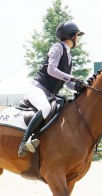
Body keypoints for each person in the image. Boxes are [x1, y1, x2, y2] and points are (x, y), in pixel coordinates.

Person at [18, 20, 85, 157]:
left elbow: (66, 82)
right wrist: (72, 78)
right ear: (71, 35)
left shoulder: (69, 56)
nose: (78, 38)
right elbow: (51, 70)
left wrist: (78, 86)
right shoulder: (57, 48)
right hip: (38, 88)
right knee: (46, 108)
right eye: (77, 35)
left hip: (49, 93)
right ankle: (24, 142)